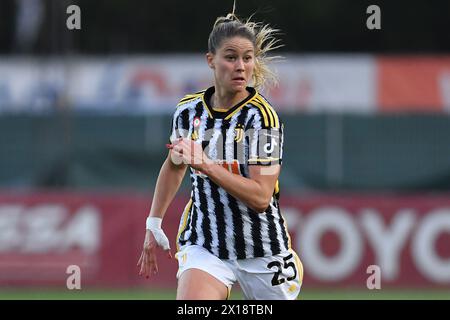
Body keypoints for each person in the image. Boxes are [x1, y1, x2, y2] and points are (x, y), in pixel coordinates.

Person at [137, 8, 303, 300]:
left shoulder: (262, 118)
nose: (240, 66)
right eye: (231, 57)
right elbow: (175, 165)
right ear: (211, 61)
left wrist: (206, 165)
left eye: (247, 57)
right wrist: (153, 222)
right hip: (206, 242)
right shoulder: (188, 112)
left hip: (263, 249)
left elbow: (261, 197)